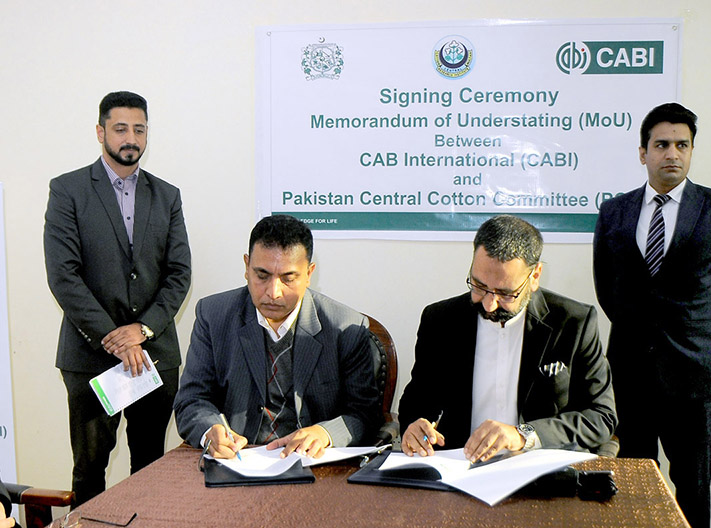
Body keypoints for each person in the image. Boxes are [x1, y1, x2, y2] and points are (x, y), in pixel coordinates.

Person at [593, 103, 711, 528]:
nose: (672, 154)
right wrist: (642, 334)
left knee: (693, 486)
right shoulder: (615, 212)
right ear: (643, 152)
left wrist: (702, 338)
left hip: (694, 376)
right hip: (631, 371)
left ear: (691, 151)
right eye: (662, 144)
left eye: (682, 145)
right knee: (632, 482)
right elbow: (607, 288)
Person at [44, 91, 192, 506]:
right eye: (121, 128)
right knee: (90, 471)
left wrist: (141, 331)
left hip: (154, 355)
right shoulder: (68, 190)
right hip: (91, 357)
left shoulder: (167, 196)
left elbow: (179, 274)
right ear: (100, 132)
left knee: (150, 467)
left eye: (139, 129)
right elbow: (63, 275)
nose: (131, 137)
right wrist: (114, 335)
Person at [399, 215, 617, 463]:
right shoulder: (440, 320)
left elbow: (601, 416)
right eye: (479, 286)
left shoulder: (573, 322)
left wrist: (523, 435)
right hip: (459, 469)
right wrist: (414, 427)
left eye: (505, 293)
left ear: (535, 276)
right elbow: (415, 402)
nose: (490, 305)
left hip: (539, 471)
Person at [174, 215, 381, 459]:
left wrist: (324, 433)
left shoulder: (345, 327)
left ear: (309, 273)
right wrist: (210, 430)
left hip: (314, 467)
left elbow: (365, 414)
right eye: (262, 275)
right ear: (246, 266)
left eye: (288, 278)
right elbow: (191, 400)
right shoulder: (214, 316)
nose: (273, 292)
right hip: (239, 462)